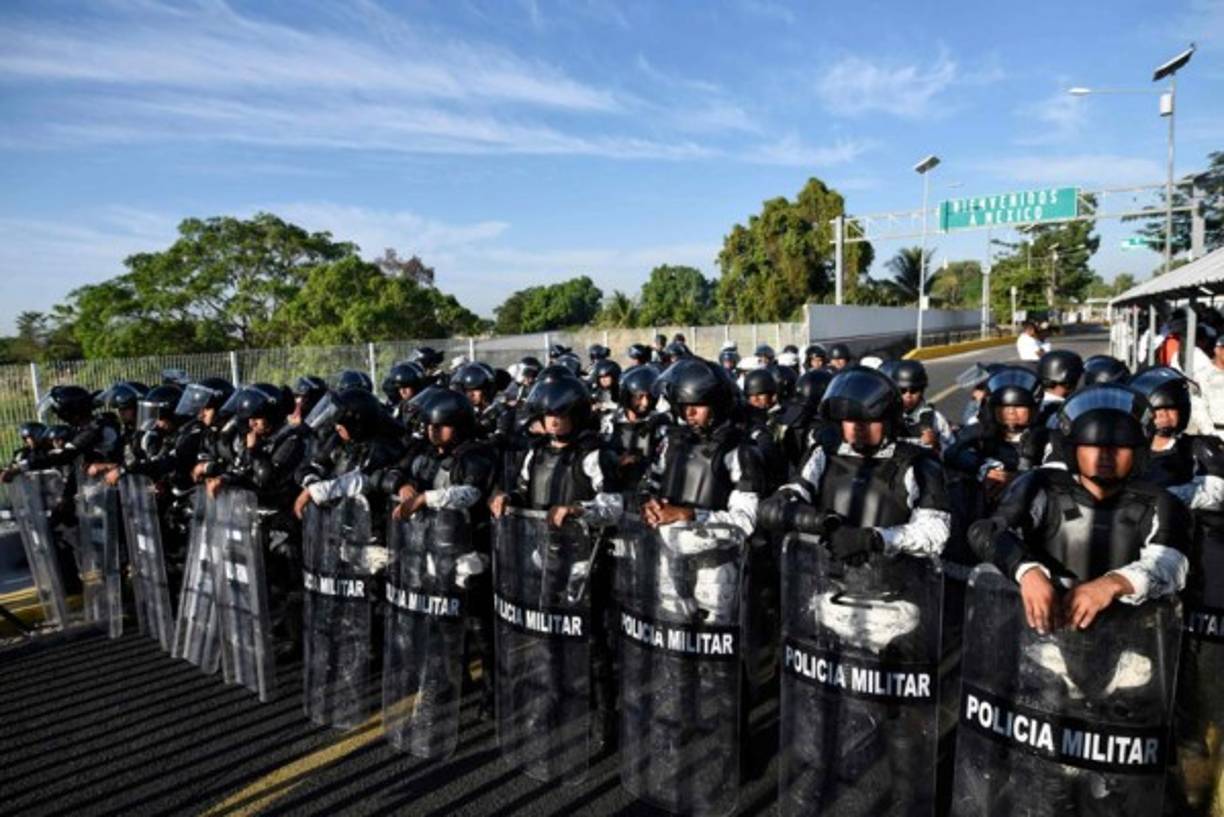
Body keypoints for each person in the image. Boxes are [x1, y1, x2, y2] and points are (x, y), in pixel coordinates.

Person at [968, 384, 1189, 635]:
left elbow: (1171, 563)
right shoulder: (1042, 486)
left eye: (1119, 447)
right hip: (1043, 637)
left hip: (1129, 637)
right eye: (1092, 445)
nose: (1105, 456)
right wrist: (1027, 571)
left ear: (1138, 452)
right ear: (1073, 449)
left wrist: (1112, 584)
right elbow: (987, 531)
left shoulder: (1161, 502)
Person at [760, 366, 950, 561]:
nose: (857, 427)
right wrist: (788, 502)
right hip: (826, 580)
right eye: (849, 419)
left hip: (894, 584)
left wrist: (875, 539)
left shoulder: (917, 463)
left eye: (868, 419)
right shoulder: (824, 453)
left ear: (888, 420)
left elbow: (935, 533)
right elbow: (796, 490)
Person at [889, 360, 954, 452]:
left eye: (914, 390)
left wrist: (935, 443)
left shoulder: (936, 418)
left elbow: (951, 450)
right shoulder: (886, 417)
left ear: (922, 391)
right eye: (902, 390)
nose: (908, 396)